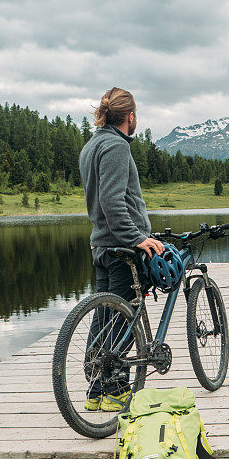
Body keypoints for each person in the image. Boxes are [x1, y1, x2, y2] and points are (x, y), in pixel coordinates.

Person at [79, 87, 164, 412]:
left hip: (101, 245)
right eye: (136, 113)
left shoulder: (91, 146)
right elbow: (112, 201)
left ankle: (95, 389)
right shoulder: (115, 146)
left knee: (104, 319)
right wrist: (136, 238)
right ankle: (115, 391)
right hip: (120, 249)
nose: (136, 118)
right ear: (130, 116)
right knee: (123, 319)